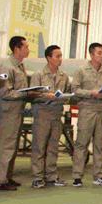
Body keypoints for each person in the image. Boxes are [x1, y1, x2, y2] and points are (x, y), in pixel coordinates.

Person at [71, 42, 102, 187]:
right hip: (87, 110)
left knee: (99, 145)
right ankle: (77, 176)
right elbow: (75, 90)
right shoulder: (81, 71)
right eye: (99, 53)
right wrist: (91, 93)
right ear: (91, 54)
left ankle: (99, 175)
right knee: (82, 144)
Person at [0, 36, 35, 191]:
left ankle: (7, 176)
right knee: (5, 146)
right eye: (26, 47)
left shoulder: (19, 66)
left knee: (12, 145)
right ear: (17, 48)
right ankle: (0, 180)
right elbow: (4, 93)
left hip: (16, 110)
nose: (28, 49)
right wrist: (26, 94)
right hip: (8, 111)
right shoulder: (6, 67)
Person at [29, 45, 71, 189]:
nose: (60, 59)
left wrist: (64, 97)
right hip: (42, 114)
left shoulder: (64, 76)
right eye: (57, 56)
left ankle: (51, 176)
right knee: (39, 147)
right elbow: (32, 94)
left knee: (53, 148)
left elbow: (68, 93)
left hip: (56, 114)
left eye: (61, 56)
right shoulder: (39, 75)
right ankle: (37, 177)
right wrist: (47, 96)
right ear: (48, 58)